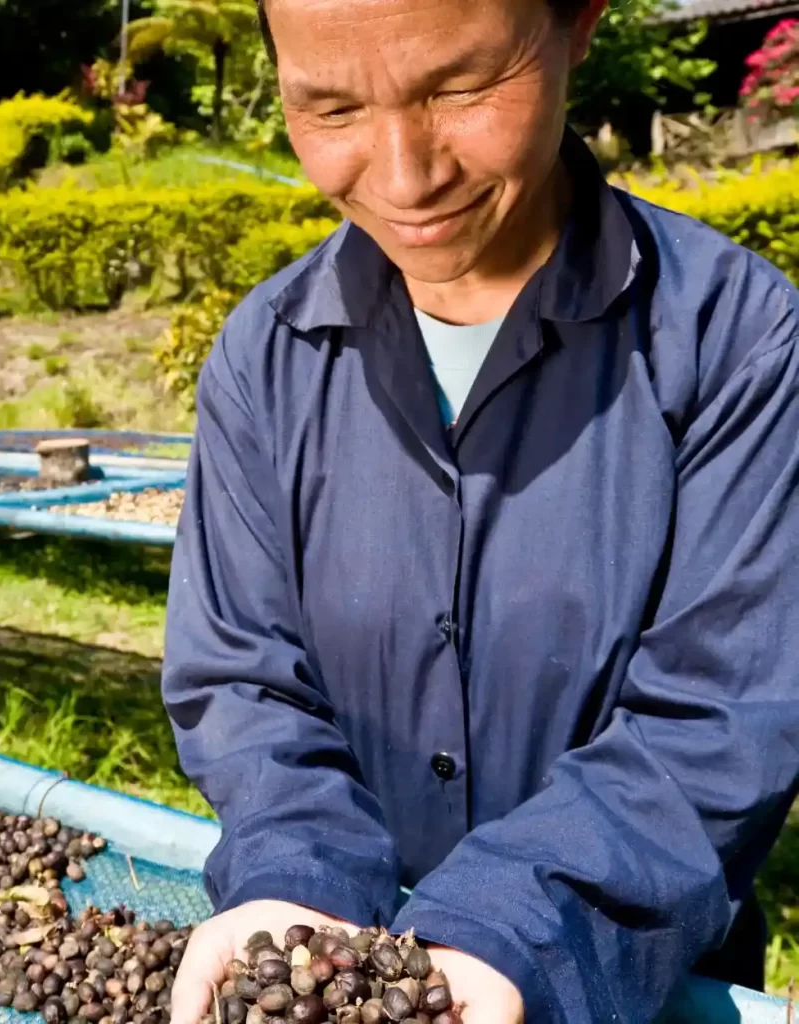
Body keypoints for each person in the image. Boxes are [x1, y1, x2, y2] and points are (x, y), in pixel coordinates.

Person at [160, 0, 799, 1020]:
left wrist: (506, 938)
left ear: (578, 23)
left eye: (459, 90)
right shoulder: (265, 358)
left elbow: (722, 717)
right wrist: (298, 887)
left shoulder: (737, 341)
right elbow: (243, 677)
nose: (406, 178)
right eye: (329, 107)